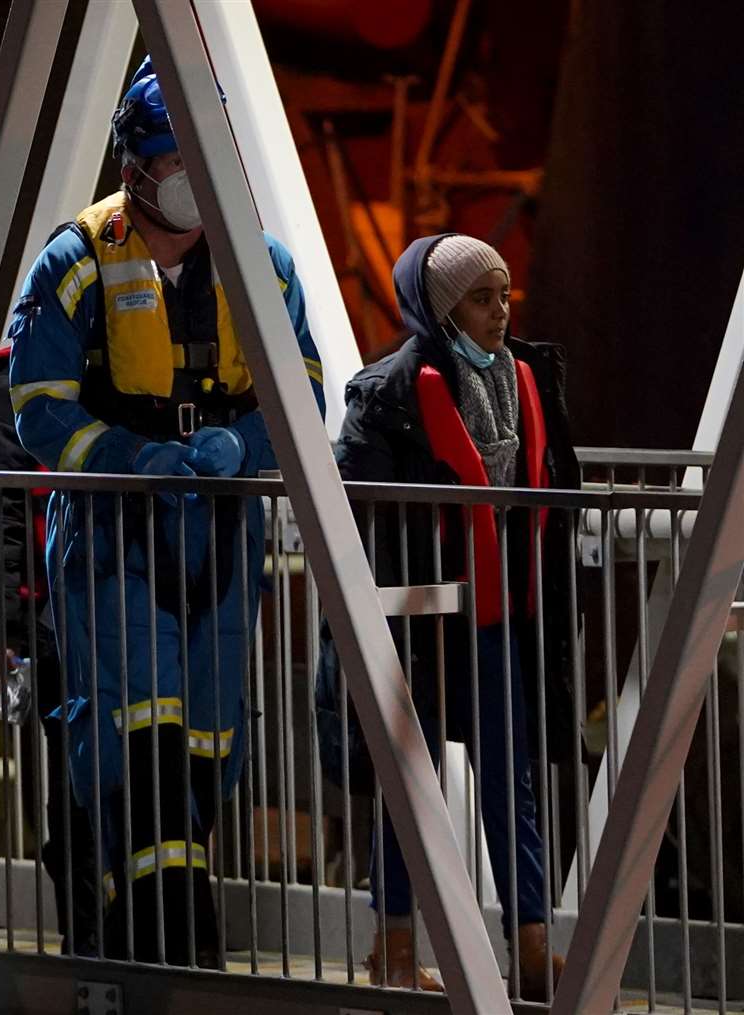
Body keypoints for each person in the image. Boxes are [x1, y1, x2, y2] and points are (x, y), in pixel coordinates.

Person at [7, 57, 325, 966]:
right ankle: (170, 950)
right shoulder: (75, 260)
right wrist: (129, 456)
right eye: (172, 156)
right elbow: (38, 405)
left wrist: (245, 448)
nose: (189, 174)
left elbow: (302, 390)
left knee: (208, 742)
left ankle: (146, 937)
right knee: (133, 732)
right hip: (114, 526)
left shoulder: (263, 264)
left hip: (221, 523)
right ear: (133, 164)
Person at [327, 233, 575, 1000]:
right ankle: (394, 946)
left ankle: (530, 946)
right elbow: (354, 503)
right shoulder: (392, 389)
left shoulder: (528, 376)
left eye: (504, 295)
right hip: (420, 613)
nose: (500, 311)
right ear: (441, 306)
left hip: (501, 610)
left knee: (513, 775)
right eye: (481, 297)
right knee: (413, 778)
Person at [0, 341, 98, 954]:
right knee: (73, 778)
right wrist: (4, 628)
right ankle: (88, 937)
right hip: (56, 615)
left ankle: (126, 934)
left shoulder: (134, 354)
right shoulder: (16, 381)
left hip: (124, 602)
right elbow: (0, 510)